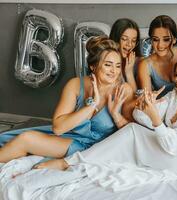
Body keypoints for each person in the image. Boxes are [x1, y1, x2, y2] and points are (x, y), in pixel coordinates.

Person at [34, 56, 177, 191]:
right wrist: (147, 106)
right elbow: (142, 119)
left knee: (133, 133)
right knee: (133, 131)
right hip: (167, 151)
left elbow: (176, 145)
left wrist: (155, 118)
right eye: (176, 74)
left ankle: (70, 163)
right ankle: (74, 163)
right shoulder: (175, 97)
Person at [0, 36, 133, 163]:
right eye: (108, 65)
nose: (114, 71)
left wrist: (115, 115)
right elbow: (58, 128)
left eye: (117, 65)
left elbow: (132, 134)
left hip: (99, 149)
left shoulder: (124, 90)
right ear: (93, 66)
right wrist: (91, 106)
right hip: (71, 140)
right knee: (24, 138)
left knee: (25, 140)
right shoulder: (75, 84)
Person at [138, 15, 177, 98]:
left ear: (175, 40)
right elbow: (147, 100)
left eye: (166, 39)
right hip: (160, 107)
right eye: (155, 39)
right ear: (151, 40)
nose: (160, 45)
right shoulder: (145, 65)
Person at [109, 18, 141, 92]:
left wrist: (129, 72)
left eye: (133, 41)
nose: (129, 44)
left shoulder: (140, 63)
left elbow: (135, 99)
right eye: (124, 39)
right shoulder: (105, 62)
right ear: (115, 39)